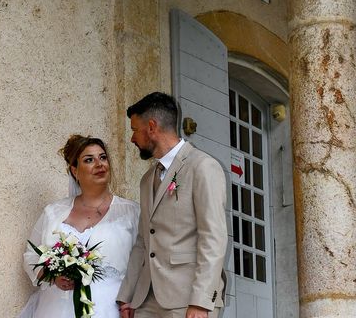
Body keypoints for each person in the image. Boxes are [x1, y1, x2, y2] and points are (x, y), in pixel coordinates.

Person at [116, 92, 227, 318]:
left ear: (152, 127)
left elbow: (213, 237)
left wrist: (201, 302)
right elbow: (143, 241)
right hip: (146, 300)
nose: (132, 139)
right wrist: (127, 296)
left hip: (187, 299)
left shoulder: (203, 167)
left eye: (135, 130)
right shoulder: (147, 180)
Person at [19, 135, 140, 318]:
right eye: (89, 160)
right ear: (75, 171)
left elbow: (145, 261)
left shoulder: (131, 212)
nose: (99, 164)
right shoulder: (53, 213)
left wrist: (134, 301)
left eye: (103, 157)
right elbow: (31, 255)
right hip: (55, 308)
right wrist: (52, 275)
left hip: (110, 308)